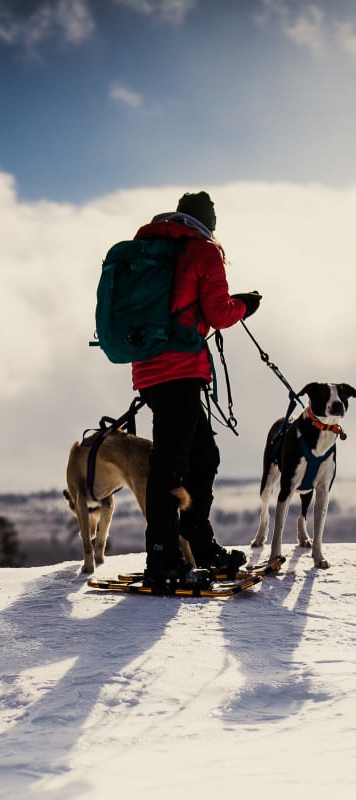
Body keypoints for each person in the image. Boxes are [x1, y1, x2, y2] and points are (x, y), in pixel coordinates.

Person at [133, 191, 261, 590]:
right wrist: (245, 305)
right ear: (208, 221)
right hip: (180, 368)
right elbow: (220, 314)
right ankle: (163, 558)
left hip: (150, 368)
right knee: (172, 466)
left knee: (203, 457)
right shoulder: (203, 250)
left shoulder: (148, 246)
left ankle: (201, 548)